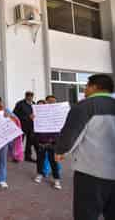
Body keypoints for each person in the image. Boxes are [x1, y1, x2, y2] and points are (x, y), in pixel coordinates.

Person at [55, 74, 115, 220]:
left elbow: (71, 133)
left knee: (87, 213)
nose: (84, 90)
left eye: (86, 86)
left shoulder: (85, 106)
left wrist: (61, 151)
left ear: (94, 87)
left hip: (92, 172)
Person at [33, 95, 62, 190]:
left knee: (54, 162)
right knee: (40, 160)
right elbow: (34, 128)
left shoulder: (58, 114)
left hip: (53, 142)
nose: (51, 103)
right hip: (41, 142)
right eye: (49, 101)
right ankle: (39, 174)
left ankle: (57, 179)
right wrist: (32, 119)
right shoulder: (39, 114)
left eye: (53, 102)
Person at [13, 91, 38, 162]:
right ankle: (16, 157)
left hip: (31, 126)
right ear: (26, 96)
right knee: (19, 142)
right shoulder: (20, 104)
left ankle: (28, 157)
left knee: (29, 142)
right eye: (28, 96)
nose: (30, 97)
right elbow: (15, 114)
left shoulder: (34, 104)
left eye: (31, 96)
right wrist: (27, 117)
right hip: (22, 126)